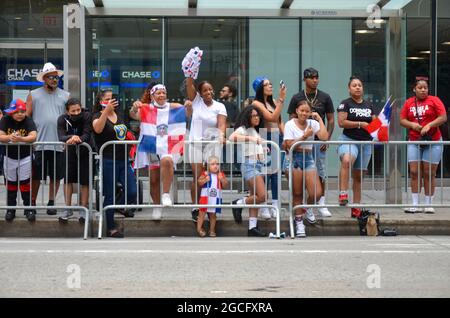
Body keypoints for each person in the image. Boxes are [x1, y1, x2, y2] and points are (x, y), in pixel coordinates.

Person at [130, 83, 191, 220]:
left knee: (167, 160)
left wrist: (189, 106)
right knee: (154, 179)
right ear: (152, 95)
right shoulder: (146, 108)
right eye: (158, 93)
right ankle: (157, 206)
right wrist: (134, 108)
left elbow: (187, 113)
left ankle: (166, 194)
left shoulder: (174, 107)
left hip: (168, 145)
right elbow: (133, 115)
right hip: (152, 145)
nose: (162, 95)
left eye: (164, 92)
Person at [287, 67, 334, 219]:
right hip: (301, 145)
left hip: (318, 140)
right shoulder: (297, 97)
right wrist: (298, 137)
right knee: (299, 184)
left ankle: (321, 203)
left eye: (317, 77)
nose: (315, 80)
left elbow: (331, 120)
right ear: (305, 79)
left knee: (321, 173)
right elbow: (291, 119)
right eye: (312, 77)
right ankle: (302, 212)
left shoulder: (325, 96)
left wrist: (327, 139)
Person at [92, 89, 137, 238]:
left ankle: (120, 206)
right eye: (108, 99)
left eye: (113, 98)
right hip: (108, 160)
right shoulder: (97, 115)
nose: (112, 101)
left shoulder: (120, 115)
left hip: (123, 159)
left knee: (132, 191)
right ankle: (111, 228)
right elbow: (97, 129)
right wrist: (106, 112)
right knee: (109, 195)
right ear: (101, 102)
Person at [26, 62, 69, 215]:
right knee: (36, 175)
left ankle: (52, 202)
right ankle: (32, 202)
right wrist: (28, 137)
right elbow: (26, 116)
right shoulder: (34, 94)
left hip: (59, 143)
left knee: (56, 176)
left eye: (56, 77)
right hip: (39, 143)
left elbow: (70, 118)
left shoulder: (65, 96)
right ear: (44, 78)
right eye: (50, 77)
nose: (54, 79)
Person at [400, 77, 447, 213]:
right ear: (414, 89)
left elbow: (443, 117)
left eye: (425, 87)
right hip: (414, 140)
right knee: (414, 172)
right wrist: (412, 125)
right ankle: (415, 203)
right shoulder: (409, 102)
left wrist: (429, 125)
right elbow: (402, 120)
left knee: (429, 173)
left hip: (433, 140)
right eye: (420, 88)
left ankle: (428, 203)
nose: (423, 90)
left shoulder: (434, 100)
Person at [185, 77, 227, 223]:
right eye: (205, 90)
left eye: (210, 89)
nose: (208, 92)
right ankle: (196, 207)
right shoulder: (196, 101)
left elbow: (221, 124)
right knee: (198, 177)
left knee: (211, 177)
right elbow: (189, 84)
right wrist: (190, 72)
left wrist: (221, 135)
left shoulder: (220, 106)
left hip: (212, 145)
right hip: (196, 143)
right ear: (200, 93)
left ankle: (210, 207)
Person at [283, 100, 328, 237]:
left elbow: (324, 137)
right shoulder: (289, 124)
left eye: (307, 111)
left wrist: (319, 119)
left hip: (308, 158)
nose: (304, 113)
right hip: (294, 158)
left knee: (317, 193)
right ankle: (299, 223)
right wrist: (304, 136)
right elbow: (288, 145)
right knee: (297, 193)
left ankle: (306, 209)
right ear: (296, 111)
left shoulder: (313, 124)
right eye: (302, 110)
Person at [337, 76, 376, 218]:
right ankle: (343, 193)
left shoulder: (369, 105)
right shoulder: (345, 104)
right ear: (349, 89)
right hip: (349, 139)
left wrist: (380, 130)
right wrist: (360, 124)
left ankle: (356, 207)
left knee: (359, 176)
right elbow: (341, 122)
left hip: (365, 143)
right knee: (347, 160)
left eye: (360, 85)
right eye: (354, 85)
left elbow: (375, 124)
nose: (358, 87)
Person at [229, 105, 268, 237]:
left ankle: (252, 227)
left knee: (256, 197)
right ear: (247, 117)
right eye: (253, 115)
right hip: (249, 165)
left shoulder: (254, 131)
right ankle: (238, 203)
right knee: (262, 196)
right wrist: (252, 139)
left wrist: (263, 149)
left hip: (257, 165)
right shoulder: (243, 129)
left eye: (258, 115)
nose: (256, 118)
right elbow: (232, 137)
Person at [252, 76, 286, 220]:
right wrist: (281, 100)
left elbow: (279, 121)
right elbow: (271, 117)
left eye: (271, 84)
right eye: (266, 84)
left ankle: (275, 205)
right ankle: (264, 205)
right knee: (265, 172)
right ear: (260, 88)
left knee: (276, 173)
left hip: (277, 138)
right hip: (265, 138)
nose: (270, 86)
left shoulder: (272, 102)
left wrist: (286, 137)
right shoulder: (256, 103)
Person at [0, 99, 37, 221]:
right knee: (10, 184)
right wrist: (9, 137)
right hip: (9, 156)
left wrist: (21, 139)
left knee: (25, 184)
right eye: (17, 112)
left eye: (22, 111)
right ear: (11, 112)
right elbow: (0, 135)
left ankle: (29, 209)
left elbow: (33, 136)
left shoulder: (28, 120)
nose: (20, 114)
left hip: (25, 157)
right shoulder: (5, 119)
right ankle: (11, 210)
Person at [57, 98, 93, 224]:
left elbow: (87, 134)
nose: (77, 113)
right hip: (69, 151)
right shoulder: (62, 119)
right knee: (68, 179)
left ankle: (83, 208)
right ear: (67, 111)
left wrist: (78, 139)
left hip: (85, 150)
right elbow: (61, 136)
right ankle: (68, 208)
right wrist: (72, 137)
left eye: (78, 109)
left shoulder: (87, 116)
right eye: (73, 111)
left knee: (85, 180)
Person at [197, 155, 229, 237]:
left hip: (216, 198)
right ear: (208, 166)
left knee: (213, 215)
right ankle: (199, 229)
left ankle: (212, 230)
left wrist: (222, 179)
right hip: (205, 197)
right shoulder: (205, 173)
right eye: (213, 164)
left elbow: (225, 185)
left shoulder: (220, 174)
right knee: (201, 213)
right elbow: (199, 182)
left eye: (217, 164)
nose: (216, 166)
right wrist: (205, 180)